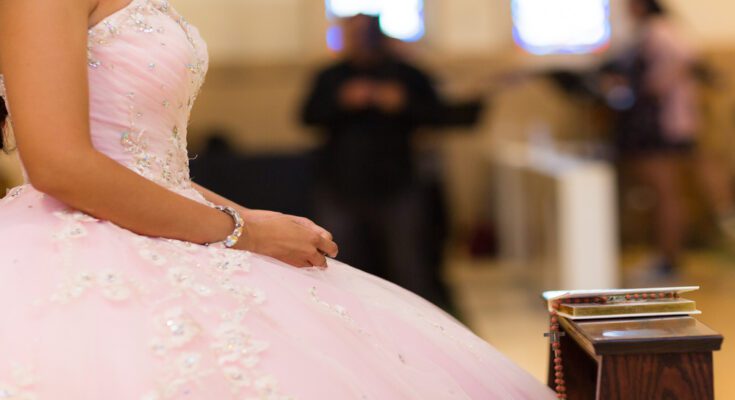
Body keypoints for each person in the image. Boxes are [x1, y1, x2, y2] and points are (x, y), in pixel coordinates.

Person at [0, 1, 554, 399]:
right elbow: (61, 165)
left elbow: (149, 165)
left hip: (169, 216)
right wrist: (246, 232)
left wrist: (244, 216)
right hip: (78, 247)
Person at [301, 15, 481, 305]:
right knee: (340, 262)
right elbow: (307, 116)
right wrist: (341, 101)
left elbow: (439, 115)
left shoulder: (407, 74)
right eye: (352, 34)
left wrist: (402, 103)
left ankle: (419, 328)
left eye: (365, 34)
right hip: (341, 183)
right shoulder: (331, 76)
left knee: (409, 263)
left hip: (397, 182)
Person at [602, 0, 699, 278]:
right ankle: (664, 256)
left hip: (661, 124)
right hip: (652, 123)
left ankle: (669, 259)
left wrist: (651, 85)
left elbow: (684, 58)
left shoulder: (659, 30)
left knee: (666, 193)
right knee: (660, 194)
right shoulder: (644, 32)